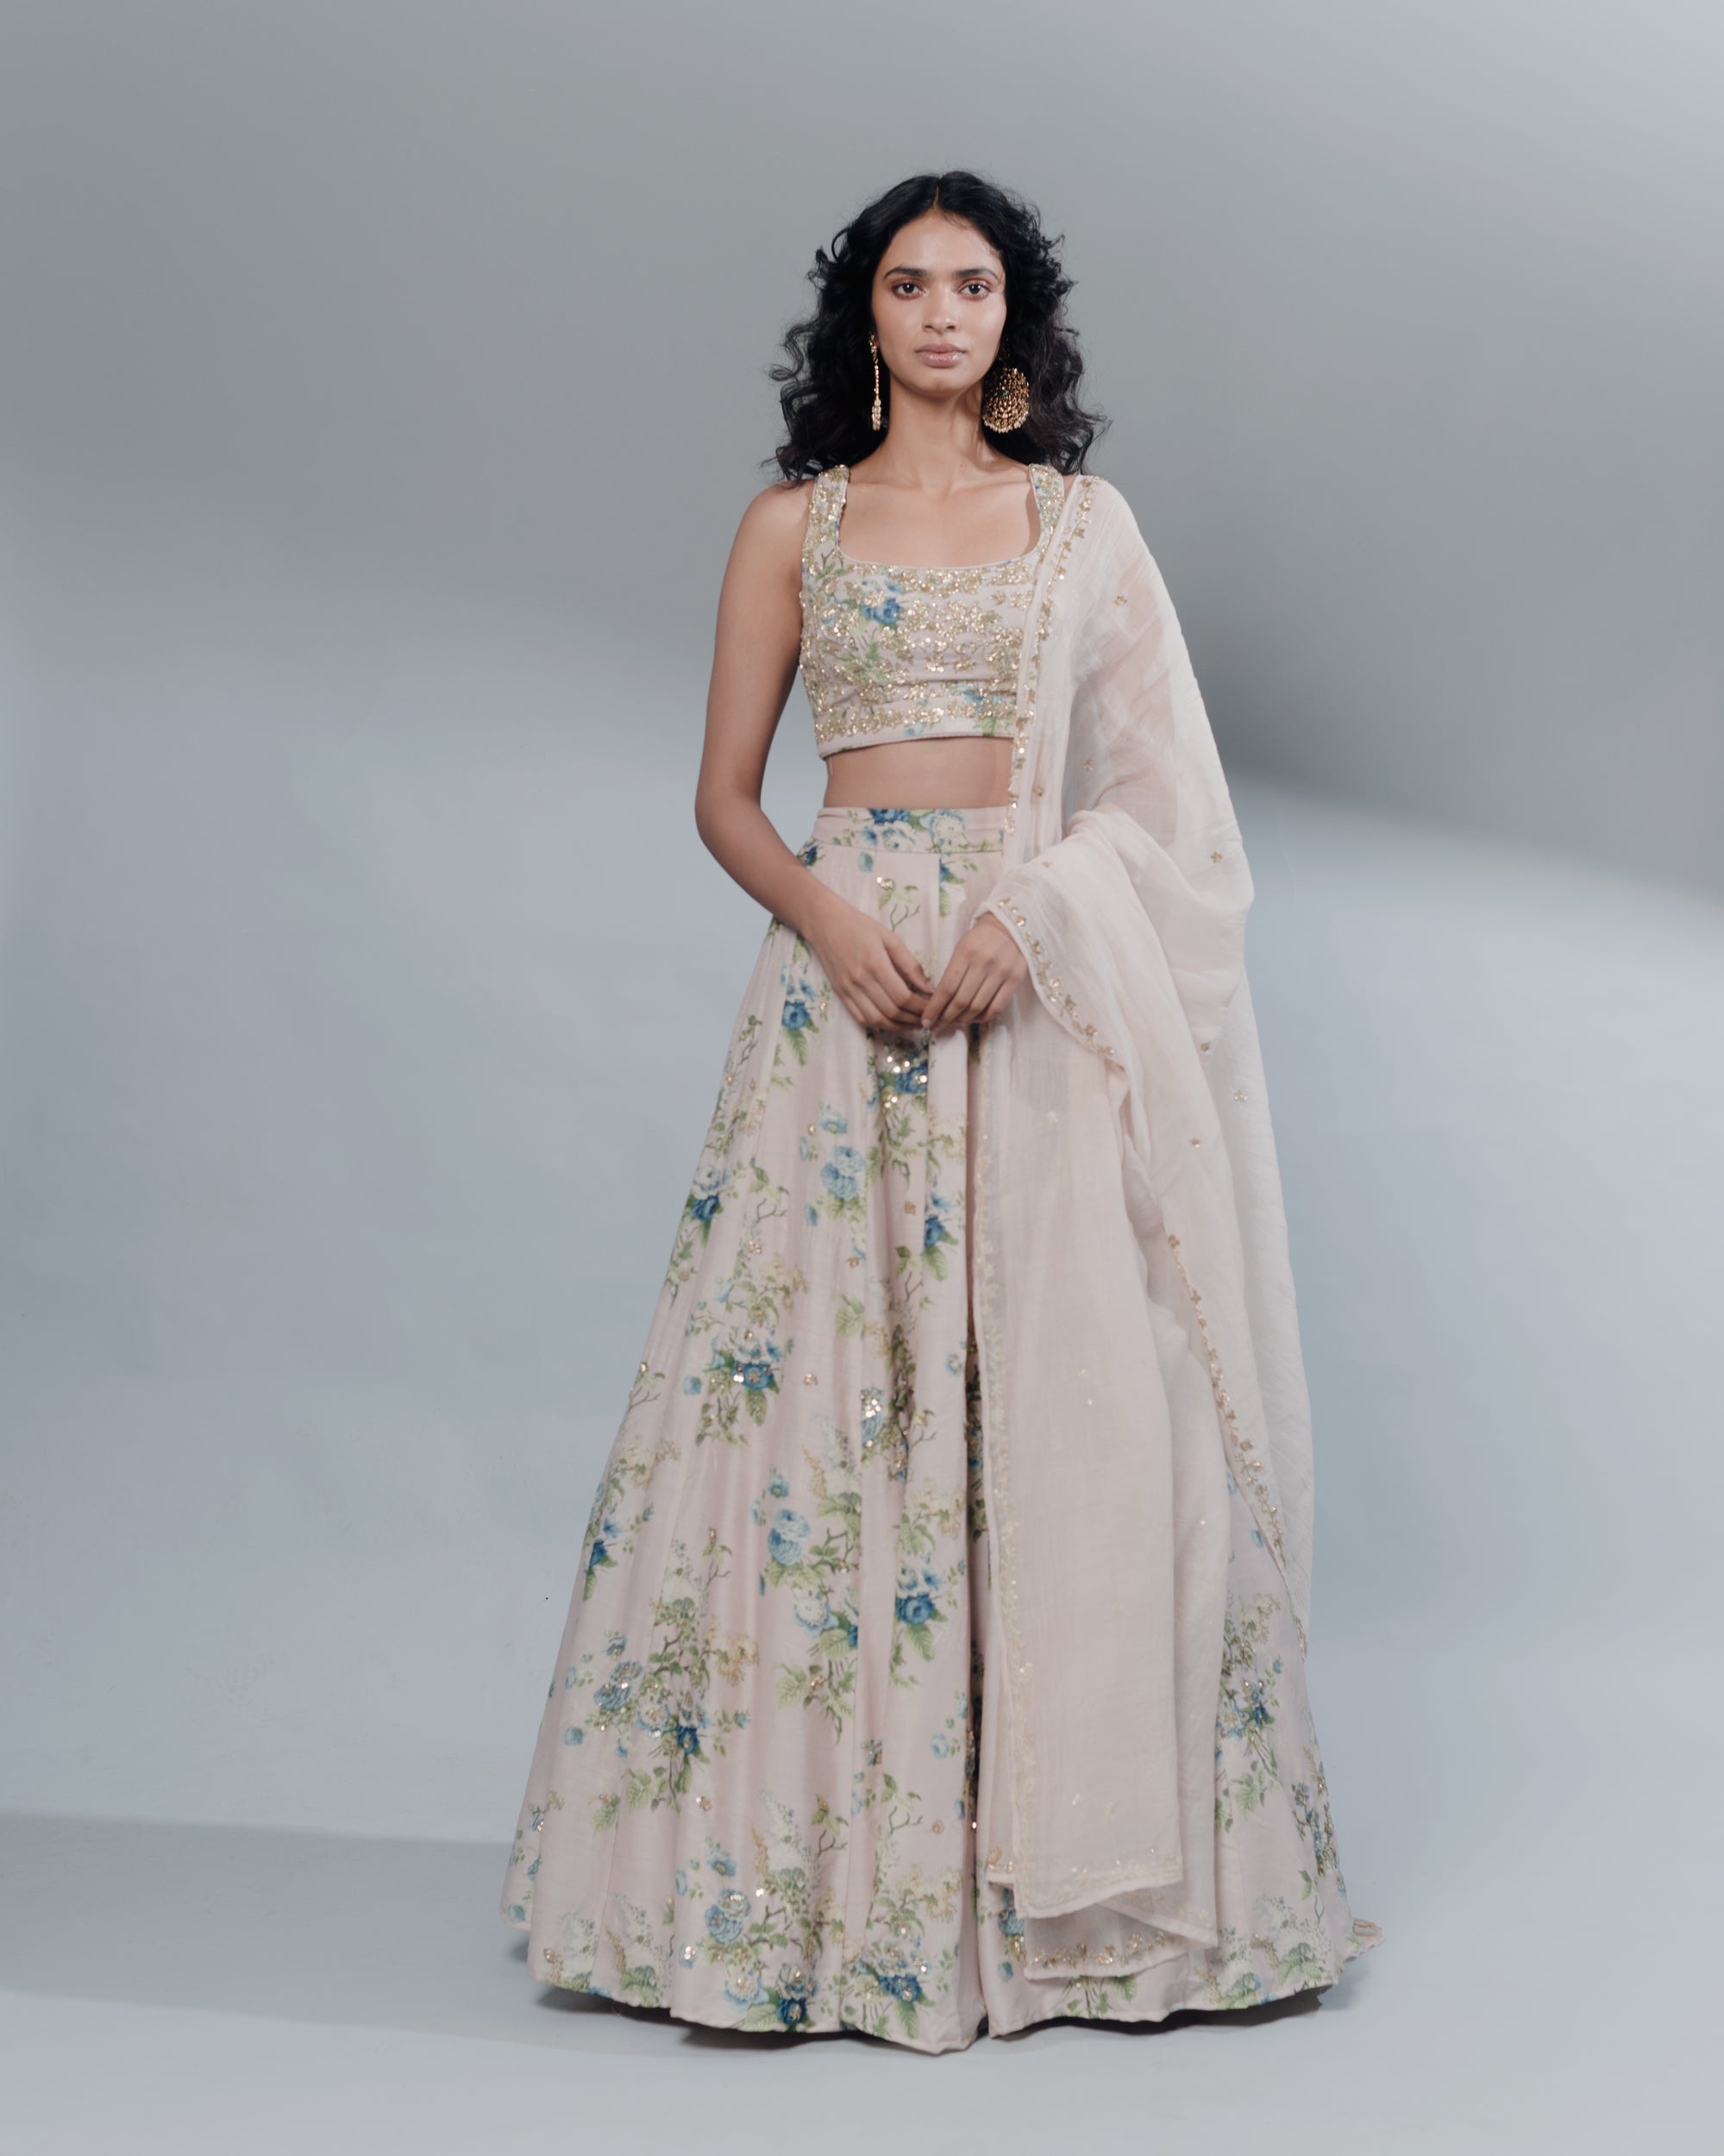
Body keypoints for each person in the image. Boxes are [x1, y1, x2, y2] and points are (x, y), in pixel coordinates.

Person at [500, 169, 1382, 2053]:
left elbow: (1164, 807)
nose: (941, 313)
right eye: (908, 284)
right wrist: (832, 920)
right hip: (844, 1000)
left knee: (1081, 1386)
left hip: (1030, 977)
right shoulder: (789, 527)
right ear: (866, 316)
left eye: (973, 284)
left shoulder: (1083, 526)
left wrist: (1029, 913)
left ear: (1014, 315)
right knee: (815, 1399)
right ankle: (801, 1901)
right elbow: (725, 795)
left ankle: (1092, 1904)